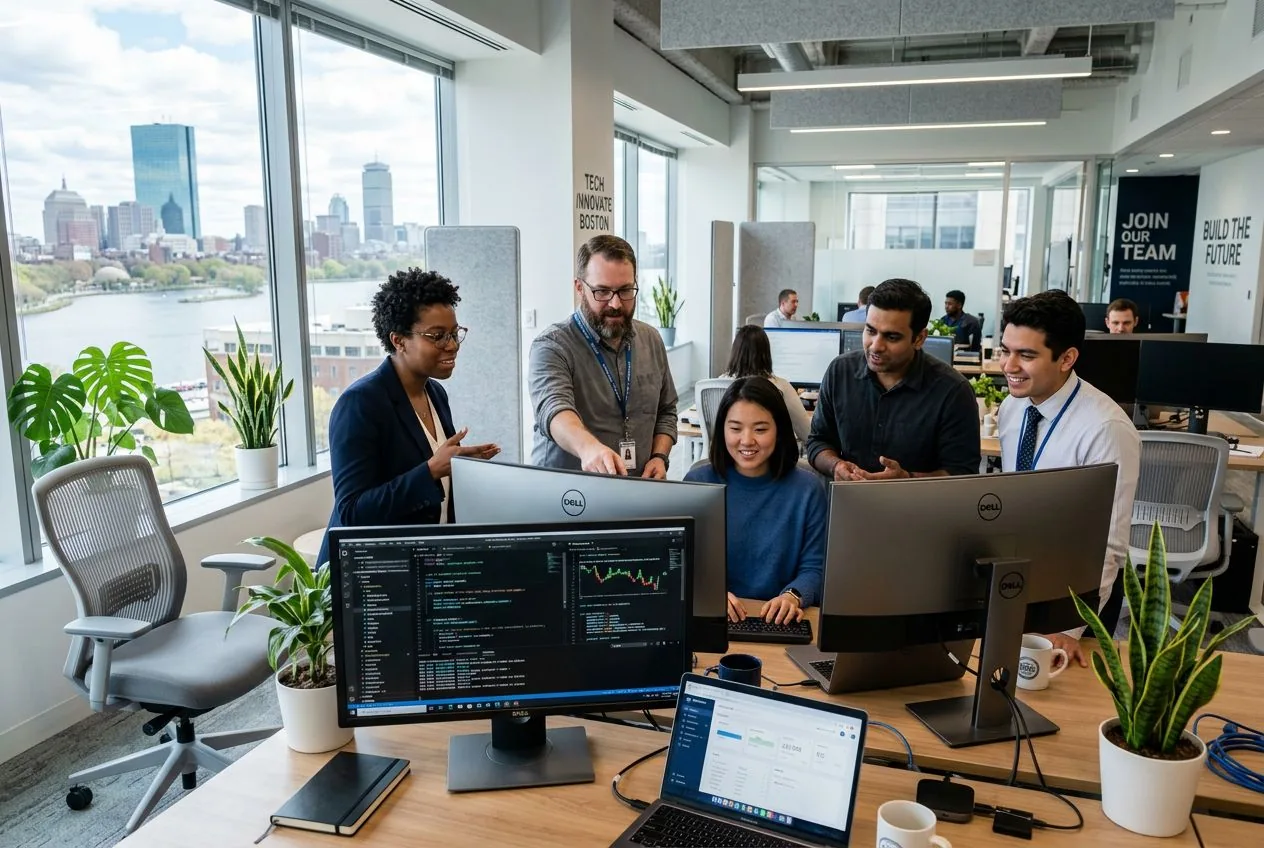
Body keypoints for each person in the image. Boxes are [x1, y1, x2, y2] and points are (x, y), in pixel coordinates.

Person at [317, 269, 500, 565]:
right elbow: (352, 512)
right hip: (372, 572)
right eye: (437, 336)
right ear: (399, 340)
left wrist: (463, 468)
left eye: (454, 333)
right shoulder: (360, 403)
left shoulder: (435, 393)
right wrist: (430, 471)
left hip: (422, 563)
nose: (452, 345)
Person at [997, 290, 1140, 667]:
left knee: (1063, 693)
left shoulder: (1106, 429)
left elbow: (1108, 543)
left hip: (1076, 590)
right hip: (1019, 572)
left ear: (1067, 358)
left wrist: (1070, 626)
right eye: (1005, 350)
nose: (1009, 365)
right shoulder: (1013, 407)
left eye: (1026, 355)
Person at [529, 234, 678, 477]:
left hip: (635, 486)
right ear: (580, 288)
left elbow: (667, 410)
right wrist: (588, 448)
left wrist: (659, 456)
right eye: (602, 291)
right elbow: (554, 409)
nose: (616, 304)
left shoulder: (651, 340)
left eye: (625, 290)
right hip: (568, 491)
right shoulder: (552, 346)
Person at [808, 278, 980, 481]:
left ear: (919, 339)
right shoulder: (840, 371)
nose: (875, 346)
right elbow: (818, 442)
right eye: (870, 331)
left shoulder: (953, 391)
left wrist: (906, 480)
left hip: (916, 502)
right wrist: (835, 465)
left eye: (891, 337)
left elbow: (962, 472)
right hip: (846, 498)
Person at [685, 377, 826, 625]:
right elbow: (683, 562)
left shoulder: (808, 489)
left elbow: (815, 567)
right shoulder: (697, 483)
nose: (747, 440)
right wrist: (707, 591)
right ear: (722, 429)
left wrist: (793, 596)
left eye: (760, 429)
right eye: (735, 428)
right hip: (713, 617)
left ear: (779, 431)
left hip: (778, 621)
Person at [721, 325, 813, 443]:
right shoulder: (781, 386)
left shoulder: (715, 384)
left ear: (735, 352)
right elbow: (807, 433)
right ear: (766, 354)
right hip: (766, 453)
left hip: (727, 452)